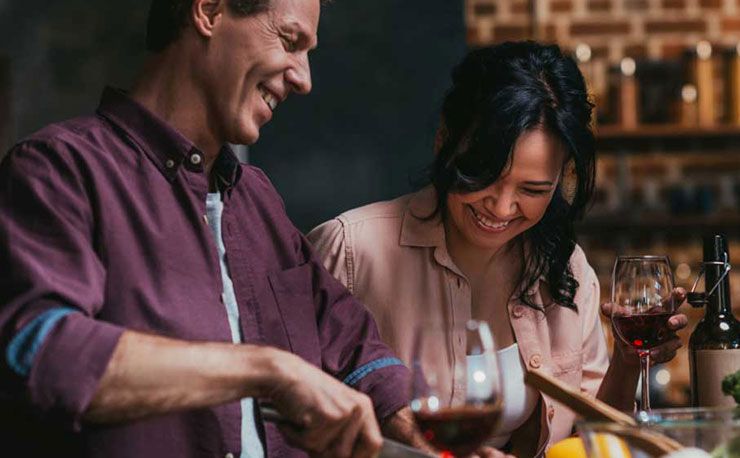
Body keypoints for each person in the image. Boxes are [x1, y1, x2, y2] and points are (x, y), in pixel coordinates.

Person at [0, 1, 422, 456]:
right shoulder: (57, 170)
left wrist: (431, 441)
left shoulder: (258, 200)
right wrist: (266, 370)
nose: (304, 79)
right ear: (209, 12)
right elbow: (42, 354)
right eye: (290, 41)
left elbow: (352, 346)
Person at [308, 42, 688, 457]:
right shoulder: (348, 251)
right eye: (485, 175)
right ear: (444, 142)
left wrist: (629, 363)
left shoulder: (567, 270)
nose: (502, 207)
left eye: (533, 190)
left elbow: (592, 441)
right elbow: (288, 419)